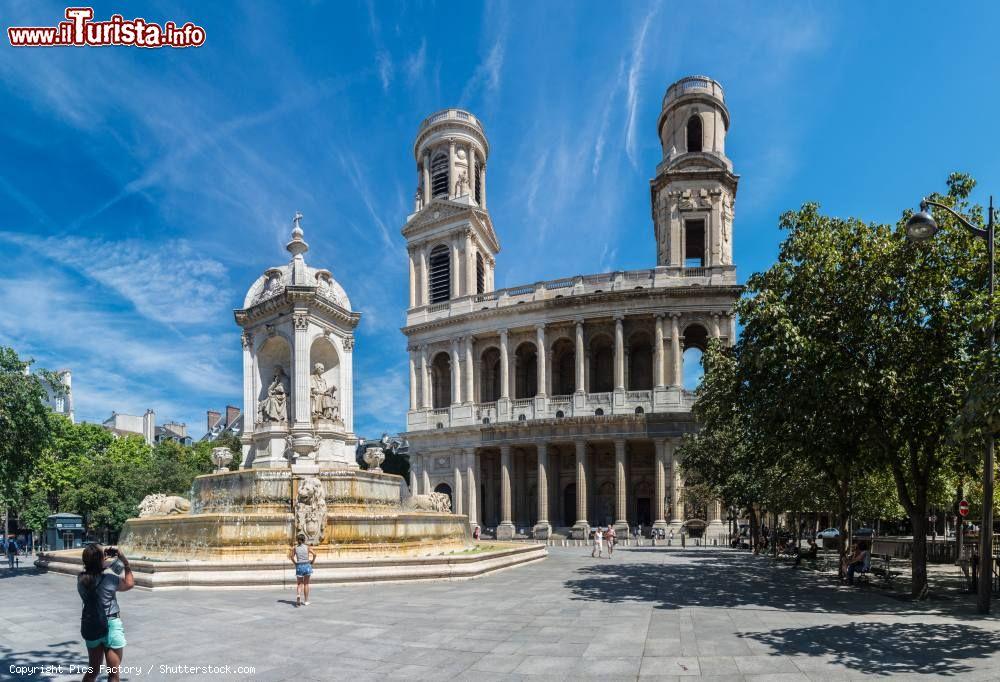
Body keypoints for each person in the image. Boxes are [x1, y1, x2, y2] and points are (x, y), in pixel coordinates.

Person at [78, 544, 134, 682]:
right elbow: (129, 583)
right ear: (100, 559)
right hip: (111, 626)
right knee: (113, 675)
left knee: (93, 671)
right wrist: (124, 562)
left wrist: (102, 561)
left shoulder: (80, 580)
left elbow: (94, 572)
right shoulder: (109, 579)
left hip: (91, 625)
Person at [289, 532, 316, 606]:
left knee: (299, 584)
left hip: (299, 566)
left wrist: (295, 563)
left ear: (297, 540)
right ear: (304, 540)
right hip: (307, 566)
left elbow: (291, 557)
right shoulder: (307, 547)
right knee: (306, 584)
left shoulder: (295, 548)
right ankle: (306, 601)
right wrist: (312, 561)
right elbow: (314, 554)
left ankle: (298, 595)